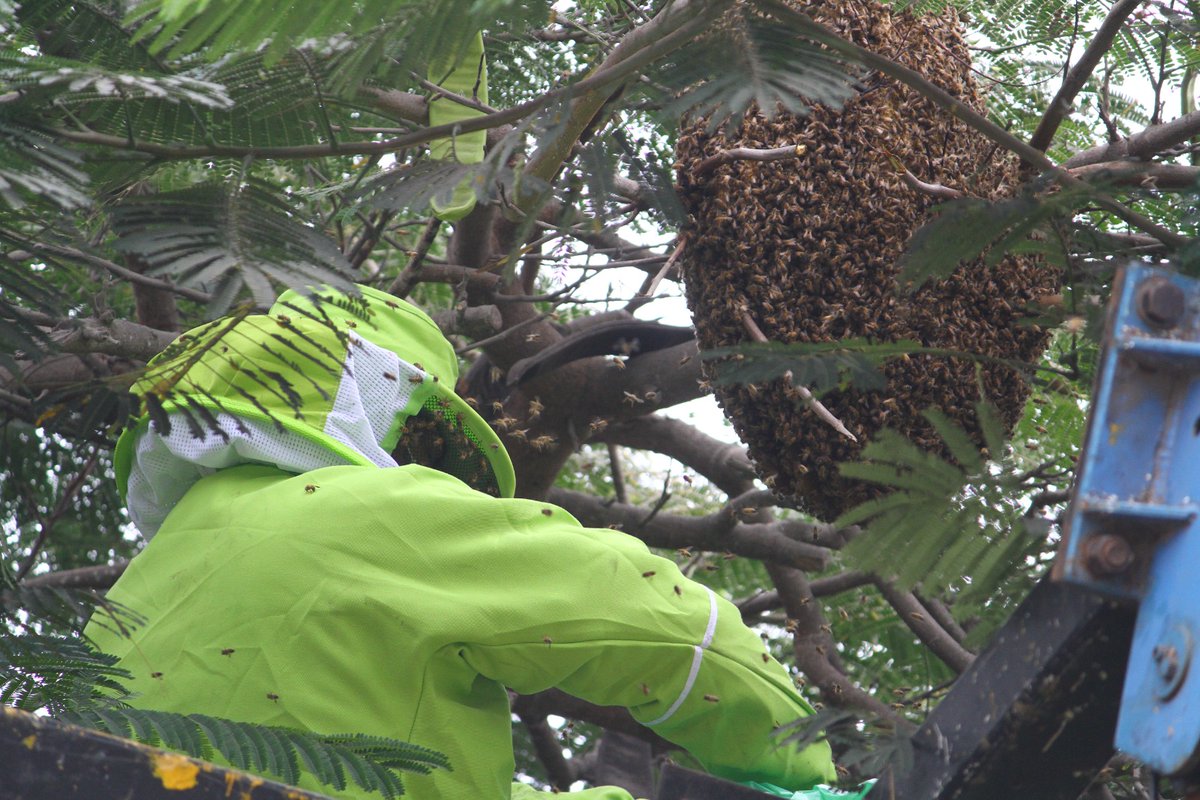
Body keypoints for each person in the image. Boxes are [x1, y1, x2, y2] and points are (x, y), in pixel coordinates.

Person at [84, 284, 836, 800]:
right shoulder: (362, 513)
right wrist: (802, 766)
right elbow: (655, 623)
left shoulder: (132, 598)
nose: (420, 459)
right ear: (367, 392)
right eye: (415, 429)